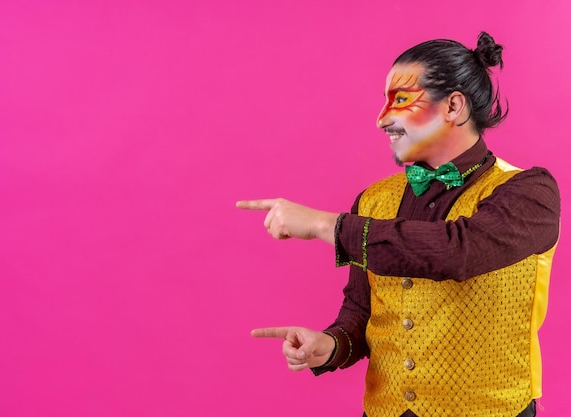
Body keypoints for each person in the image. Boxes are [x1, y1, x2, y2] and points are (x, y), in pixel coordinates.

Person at [236, 32, 560, 417]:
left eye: (401, 100)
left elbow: (457, 251)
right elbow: (361, 310)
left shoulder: (530, 192)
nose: (381, 119)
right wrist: (331, 343)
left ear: (454, 106)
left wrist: (329, 226)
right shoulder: (374, 200)